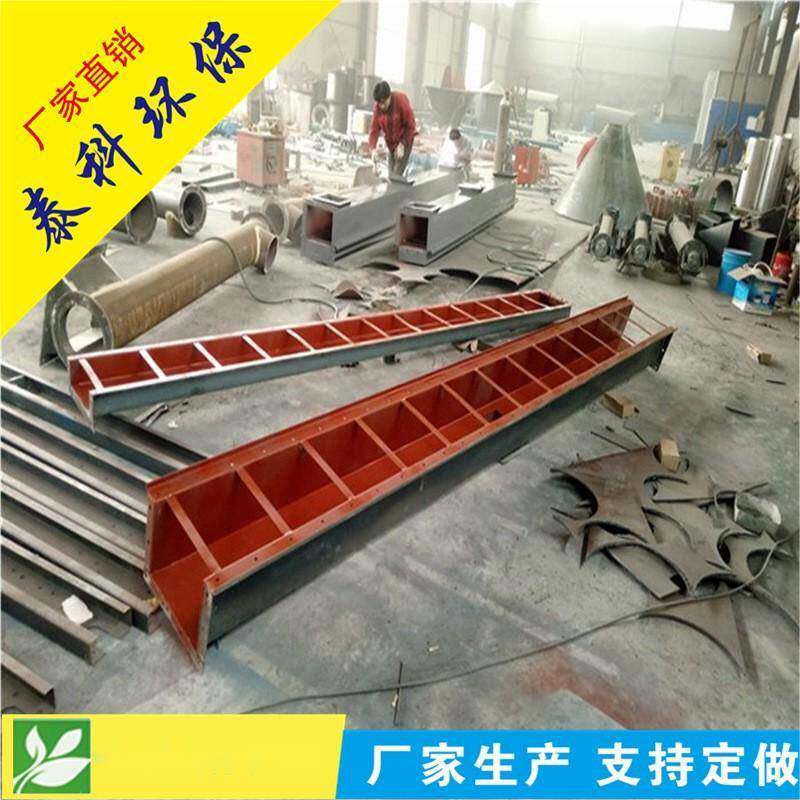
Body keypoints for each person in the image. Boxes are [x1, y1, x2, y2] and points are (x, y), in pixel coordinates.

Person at [368, 80, 417, 177]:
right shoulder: (378, 108)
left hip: (405, 139)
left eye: (384, 102)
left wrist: (402, 144)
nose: (382, 106)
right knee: (391, 173)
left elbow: (410, 126)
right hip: (391, 143)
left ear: (389, 96)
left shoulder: (401, 101)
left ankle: (397, 182)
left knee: (396, 174)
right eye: (379, 103)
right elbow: (374, 130)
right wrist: (373, 150)